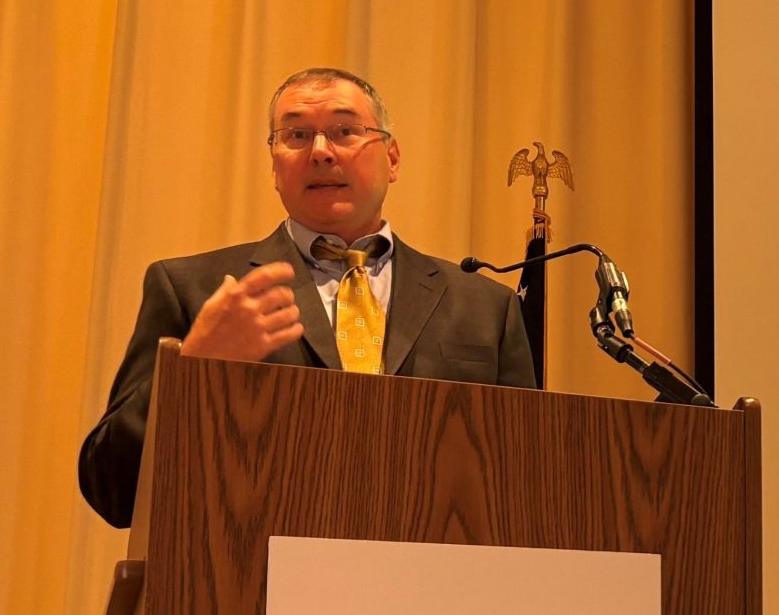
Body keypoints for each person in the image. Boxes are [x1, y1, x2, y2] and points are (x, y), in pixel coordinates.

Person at [77, 67, 538, 528]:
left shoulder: (484, 309)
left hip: (436, 578)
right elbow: (112, 491)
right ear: (274, 166)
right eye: (296, 135)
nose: (320, 152)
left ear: (392, 159)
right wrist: (192, 371)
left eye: (345, 131)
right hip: (251, 581)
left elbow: (527, 482)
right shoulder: (197, 290)